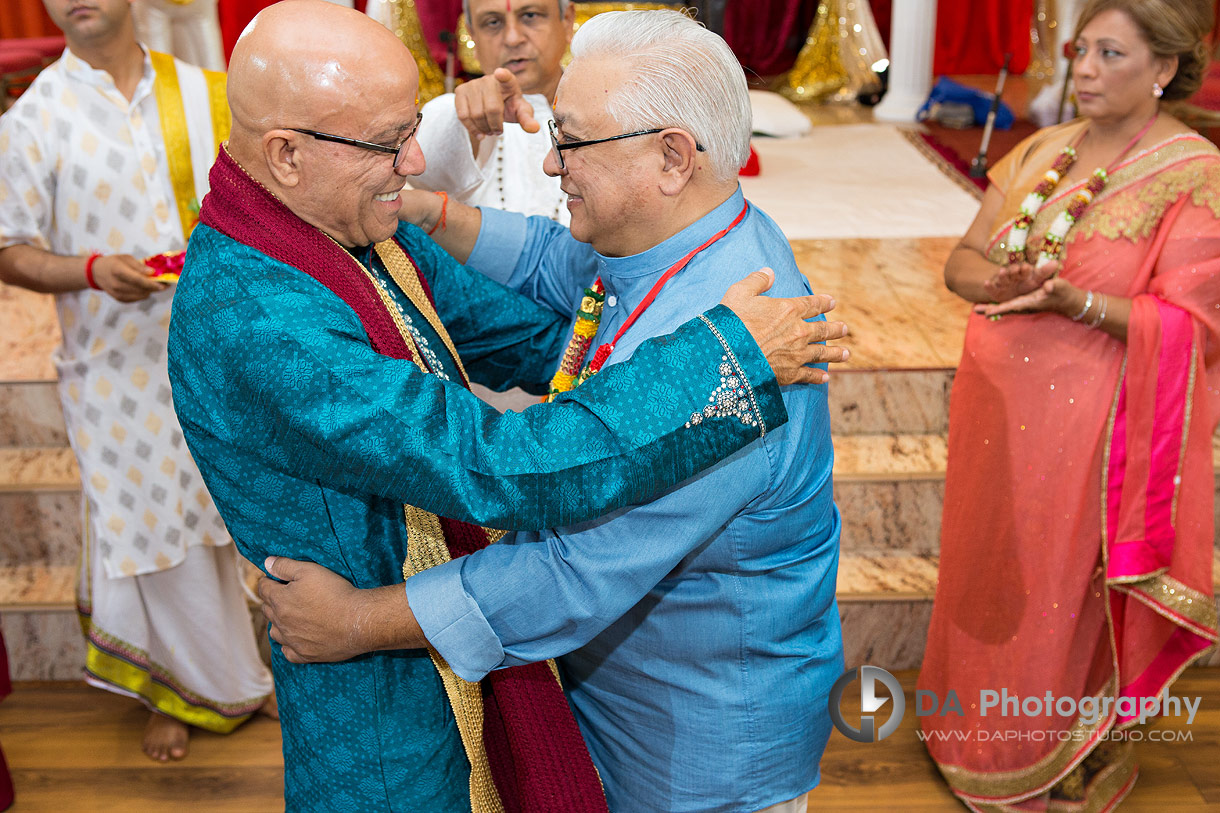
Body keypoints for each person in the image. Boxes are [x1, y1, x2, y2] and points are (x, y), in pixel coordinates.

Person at [165, 3, 848, 810]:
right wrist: (713, 365)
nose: (417, 161)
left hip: (691, 743)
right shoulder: (259, 313)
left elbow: (533, 337)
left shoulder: (340, 221)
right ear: (285, 155)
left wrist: (360, 620)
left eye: (574, 139)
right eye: (392, 142)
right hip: (383, 709)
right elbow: (495, 453)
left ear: (673, 159)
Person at [918, 0, 1219, 808]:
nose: (1082, 69)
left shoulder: (1194, 173)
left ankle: (1059, 745)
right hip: (997, 406)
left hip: (1092, 421)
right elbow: (963, 262)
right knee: (999, 566)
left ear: (1162, 68)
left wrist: (1070, 304)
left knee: (1065, 577)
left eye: (1109, 54)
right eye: (1080, 49)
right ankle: (974, 729)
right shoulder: (1045, 149)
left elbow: (1195, 322)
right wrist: (1003, 284)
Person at [0, 0, 273, 763]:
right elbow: (7, 247)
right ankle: (176, 690)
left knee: (223, 517)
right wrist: (90, 271)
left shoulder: (204, 92)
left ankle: (244, 671)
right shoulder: (32, 121)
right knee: (148, 532)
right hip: (111, 365)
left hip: (212, 351)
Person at [410, 0, 574, 223]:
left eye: (530, 16)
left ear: (567, 19)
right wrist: (467, 122)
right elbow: (425, 174)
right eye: (493, 22)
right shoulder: (453, 110)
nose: (512, 38)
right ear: (471, 34)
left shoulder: (609, 107)